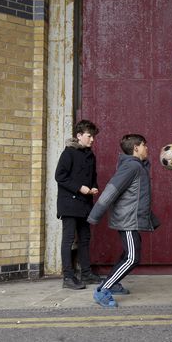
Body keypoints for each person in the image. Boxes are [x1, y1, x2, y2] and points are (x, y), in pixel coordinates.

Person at [87, 134, 159, 308]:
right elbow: (111, 191)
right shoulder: (131, 167)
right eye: (144, 145)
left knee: (129, 253)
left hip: (130, 218)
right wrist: (95, 215)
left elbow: (136, 197)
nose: (147, 148)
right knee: (132, 257)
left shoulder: (137, 166)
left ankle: (114, 283)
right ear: (136, 148)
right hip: (127, 220)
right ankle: (103, 290)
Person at [55, 119, 102, 289]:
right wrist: (79, 188)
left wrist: (94, 187)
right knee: (68, 240)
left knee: (85, 239)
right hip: (69, 204)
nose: (92, 140)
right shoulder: (68, 153)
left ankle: (86, 273)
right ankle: (68, 277)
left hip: (85, 204)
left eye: (93, 136)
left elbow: (93, 177)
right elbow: (60, 176)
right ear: (79, 135)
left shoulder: (90, 155)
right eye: (89, 136)